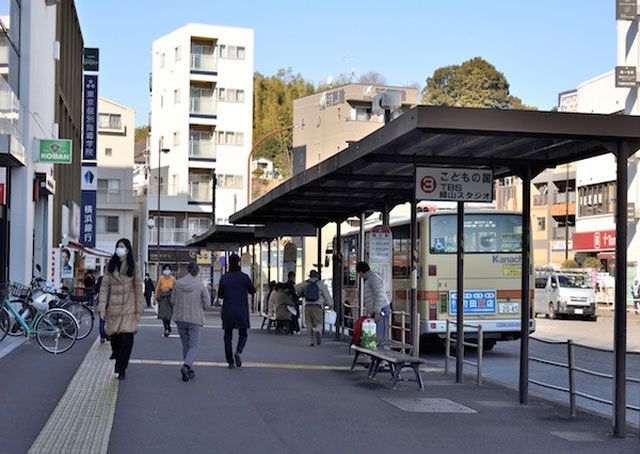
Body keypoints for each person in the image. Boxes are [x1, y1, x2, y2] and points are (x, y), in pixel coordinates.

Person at [98, 239, 143, 380]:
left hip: (129, 308)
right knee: (115, 341)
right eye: (118, 246)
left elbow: (138, 289)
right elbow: (104, 287)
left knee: (126, 340)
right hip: (114, 309)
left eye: (122, 247)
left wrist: (138, 309)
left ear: (128, 249)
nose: (119, 249)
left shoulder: (134, 266)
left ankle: (121, 368)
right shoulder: (111, 266)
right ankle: (117, 356)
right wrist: (102, 308)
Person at [171, 261, 209, 382]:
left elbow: (172, 300)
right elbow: (207, 303)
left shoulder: (178, 283)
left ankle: (189, 369)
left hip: (180, 318)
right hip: (195, 319)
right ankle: (187, 366)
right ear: (197, 271)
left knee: (185, 344)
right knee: (193, 346)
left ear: (187, 270)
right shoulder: (200, 285)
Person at [219, 254, 255, 369]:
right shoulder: (244, 277)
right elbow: (252, 290)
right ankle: (238, 352)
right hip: (241, 310)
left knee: (228, 336)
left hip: (228, 310)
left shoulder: (224, 277)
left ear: (229, 263)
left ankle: (230, 361)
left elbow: (220, 295)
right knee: (243, 333)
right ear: (239, 262)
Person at [356, 261, 391, 350]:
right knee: (376, 335)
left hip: (381, 309)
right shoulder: (369, 279)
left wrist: (377, 311)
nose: (359, 276)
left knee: (379, 336)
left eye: (359, 273)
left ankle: (380, 360)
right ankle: (376, 358)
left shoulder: (373, 279)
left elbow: (379, 295)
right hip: (378, 309)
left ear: (361, 272)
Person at [296, 270, 332, 347]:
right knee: (319, 323)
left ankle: (311, 341)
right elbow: (327, 295)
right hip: (318, 306)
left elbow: (296, 288)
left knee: (308, 324)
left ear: (310, 276)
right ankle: (318, 331)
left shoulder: (305, 284)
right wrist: (330, 304)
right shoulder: (321, 284)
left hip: (308, 306)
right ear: (317, 276)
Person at [155, 265, 176, 337]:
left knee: (169, 315)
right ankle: (166, 328)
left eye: (168, 269)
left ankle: (168, 326)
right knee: (163, 315)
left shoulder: (173, 279)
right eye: (165, 269)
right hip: (163, 298)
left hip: (170, 298)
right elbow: (157, 289)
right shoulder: (161, 278)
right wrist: (155, 299)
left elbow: (176, 288)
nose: (167, 271)